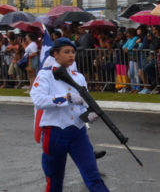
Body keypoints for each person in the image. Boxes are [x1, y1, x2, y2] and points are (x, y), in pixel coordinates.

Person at [29, 38, 109, 192]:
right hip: (55, 133)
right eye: (66, 52)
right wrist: (65, 98)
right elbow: (38, 100)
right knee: (55, 181)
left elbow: (84, 103)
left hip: (78, 133)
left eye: (73, 52)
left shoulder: (78, 77)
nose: (71, 55)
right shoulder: (46, 75)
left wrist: (89, 114)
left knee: (93, 176)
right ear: (55, 54)